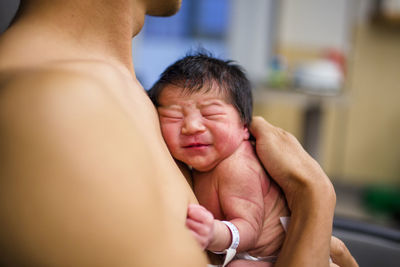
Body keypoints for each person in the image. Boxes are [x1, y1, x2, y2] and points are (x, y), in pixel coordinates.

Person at [0, 0, 358, 266]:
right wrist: (314, 197)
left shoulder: (125, 95)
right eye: (177, 115)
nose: (192, 126)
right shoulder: (54, 104)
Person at [148, 53, 290, 266]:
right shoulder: (201, 161)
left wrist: (214, 233)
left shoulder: (238, 166)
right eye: (174, 117)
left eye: (211, 114)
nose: (192, 126)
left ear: (244, 126)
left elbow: (250, 230)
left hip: (265, 255)